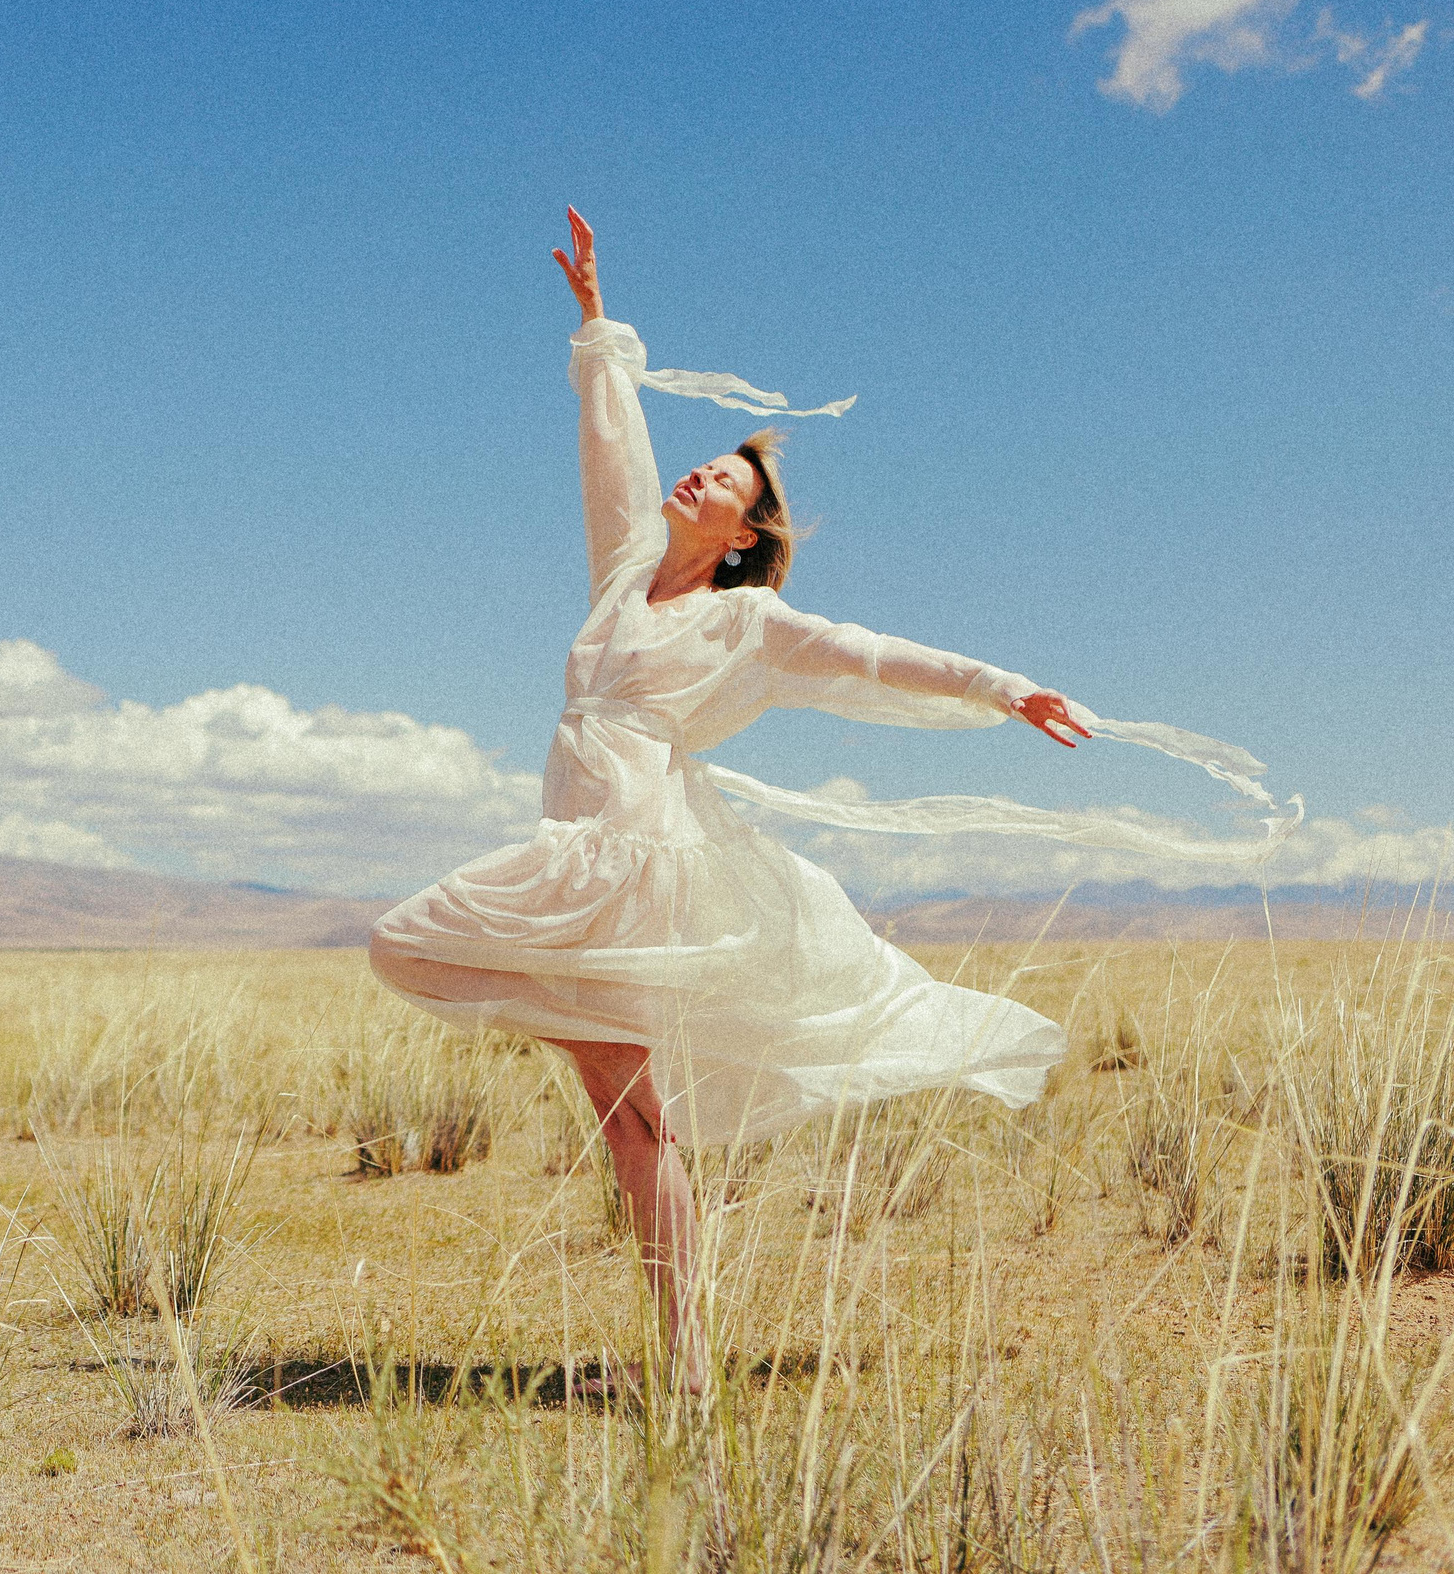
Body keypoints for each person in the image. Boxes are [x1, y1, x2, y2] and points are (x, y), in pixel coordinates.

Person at [368, 205, 1295, 1394]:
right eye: (707, 462)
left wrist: (998, 686)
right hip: (573, 848)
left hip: (634, 861)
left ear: (748, 534)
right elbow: (612, 455)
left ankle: (686, 1359)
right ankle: (683, 1347)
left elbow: (866, 654)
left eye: (727, 480)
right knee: (524, 1035)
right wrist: (598, 330)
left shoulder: (749, 622)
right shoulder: (618, 580)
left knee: (621, 1108)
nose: (701, 472)